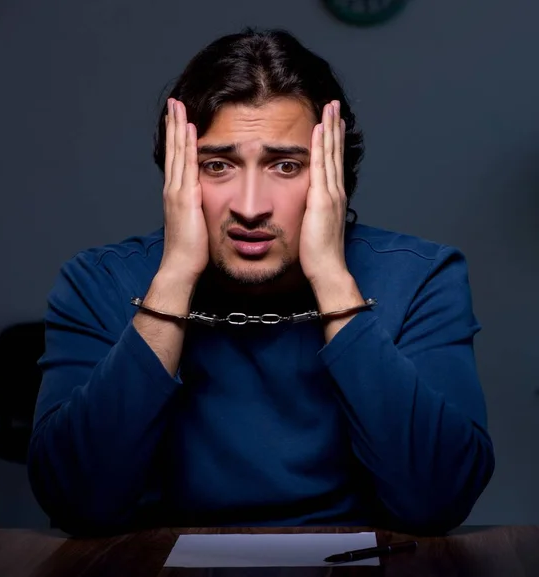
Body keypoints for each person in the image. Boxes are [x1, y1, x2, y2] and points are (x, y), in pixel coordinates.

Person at [28, 28, 495, 537]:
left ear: (334, 174)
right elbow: (75, 502)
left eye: (286, 165)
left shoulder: (423, 276)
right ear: (177, 175)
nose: (251, 207)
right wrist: (176, 276)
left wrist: (332, 278)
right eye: (218, 165)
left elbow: (439, 500)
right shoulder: (98, 282)